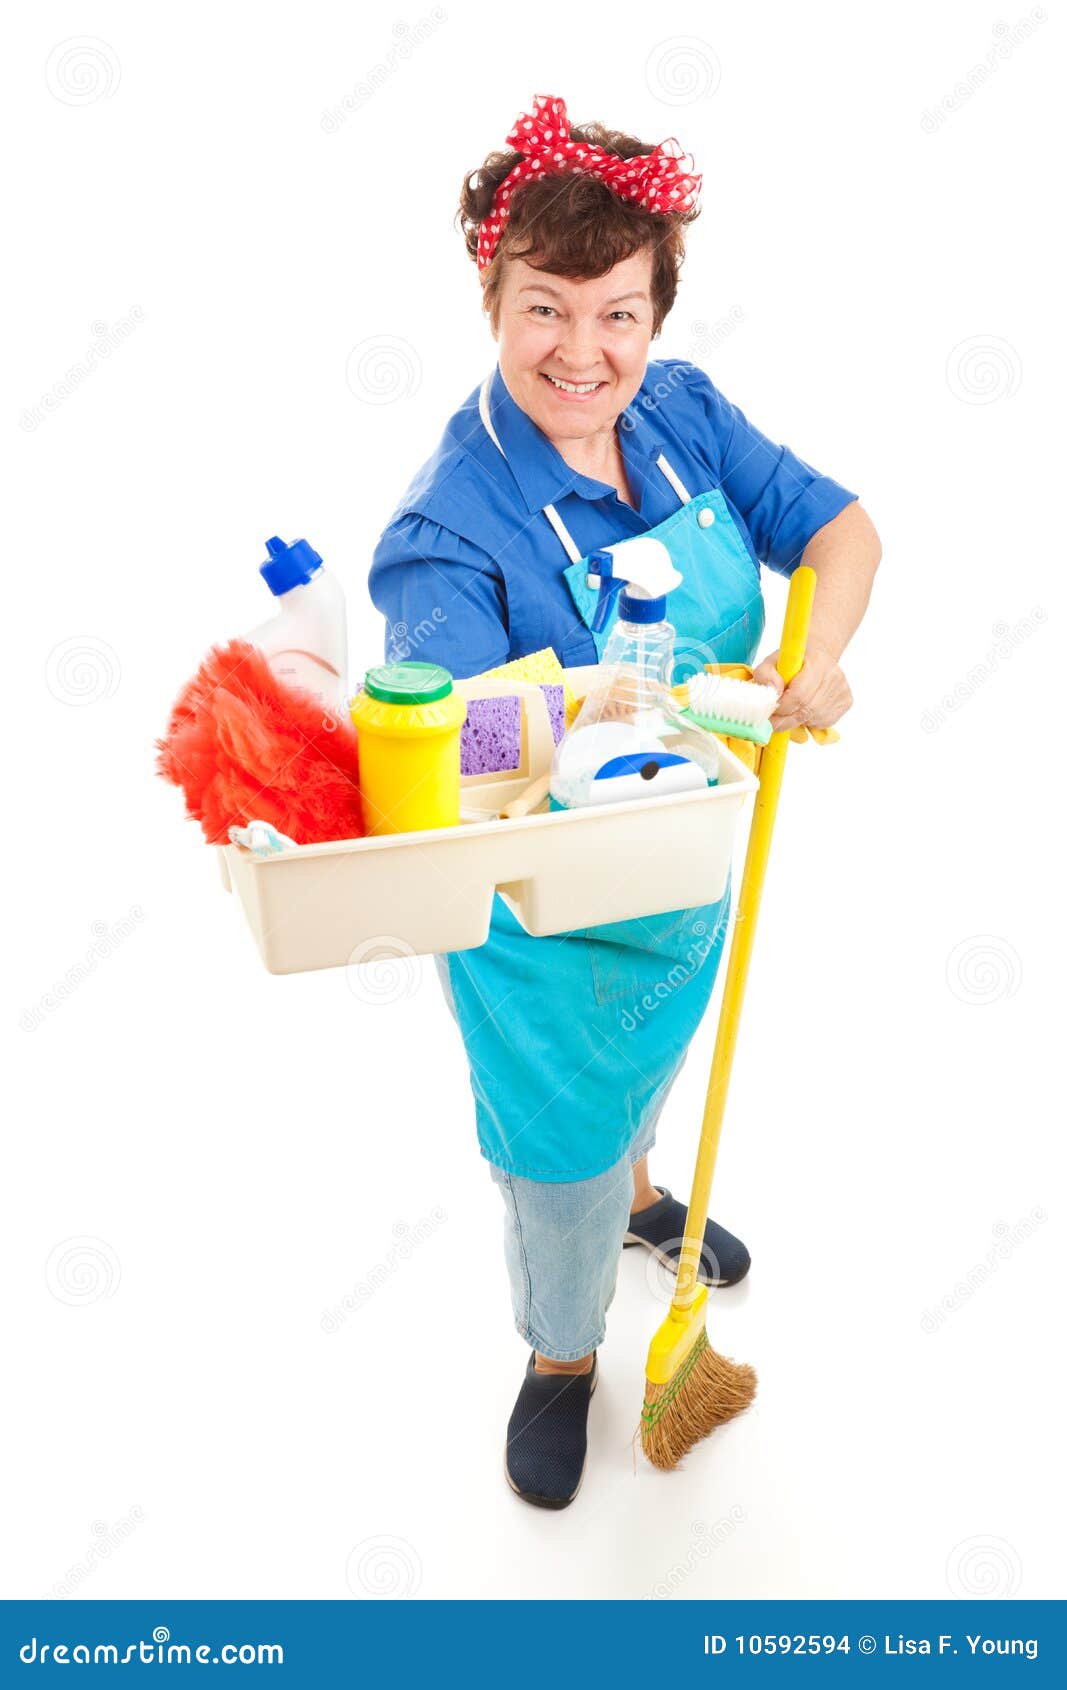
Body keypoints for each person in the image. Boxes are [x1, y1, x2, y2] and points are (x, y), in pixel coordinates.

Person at [369, 94, 881, 1508]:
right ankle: (559, 1354)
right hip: (547, 927)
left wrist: (810, 660)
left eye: (619, 314)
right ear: (489, 295)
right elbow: (477, 768)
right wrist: (664, 705)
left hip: (686, 873)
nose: (584, 355)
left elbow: (838, 530)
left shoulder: (681, 413)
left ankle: (651, 1199)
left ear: (655, 314)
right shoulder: (444, 533)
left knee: (646, 1088)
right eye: (546, 309)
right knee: (558, 1157)